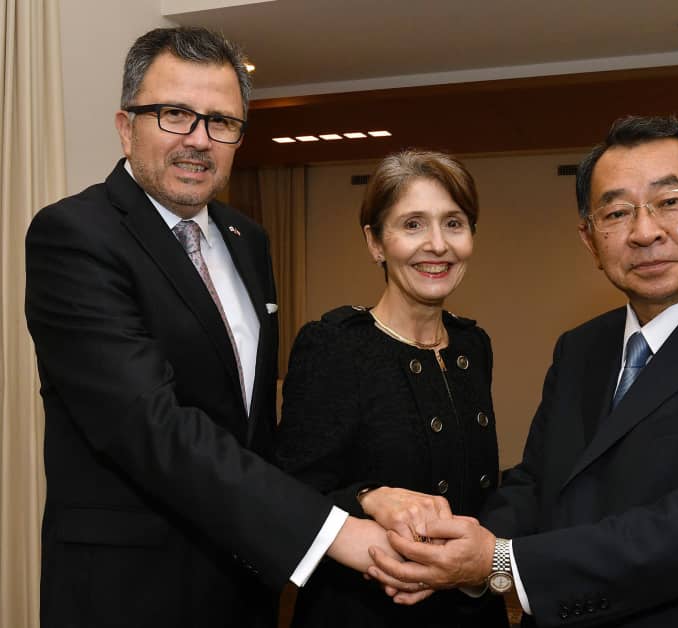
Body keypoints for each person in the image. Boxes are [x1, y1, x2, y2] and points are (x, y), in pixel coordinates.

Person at [367, 116, 678, 627]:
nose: (645, 232)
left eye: (671, 202)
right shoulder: (582, 346)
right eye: (617, 212)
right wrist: (455, 551)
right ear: (590, 239)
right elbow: (538, 480)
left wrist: (502, 562)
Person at [25, 26, 401, 628]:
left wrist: (355, 498)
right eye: (175, 114)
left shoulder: (246, 239)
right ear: (126, 126)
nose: (198, 140)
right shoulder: (75, 236)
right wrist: (331, 532)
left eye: (221, 122)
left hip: (242, 587)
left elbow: (251, 431)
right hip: (128, 593)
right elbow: (150, 425)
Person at [275, 150, 509, 627]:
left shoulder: (473, 345)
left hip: (470, 610)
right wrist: (365, 496)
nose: (438, 245)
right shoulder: (334, 346)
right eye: (413, 225)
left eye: (454, 223)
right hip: (362, 612)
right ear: (375, 242)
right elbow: (287, 492)